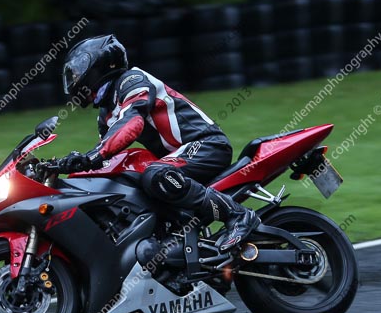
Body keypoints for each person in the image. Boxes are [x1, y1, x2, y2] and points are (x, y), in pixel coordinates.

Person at [57, 34, 260, 252]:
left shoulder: (132, 80)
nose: (75, 77)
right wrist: (70, 167)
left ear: (99, 63)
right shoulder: (106, 113)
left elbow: (132, 122)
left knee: (155, 175)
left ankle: (238, 215)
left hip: (206, 144)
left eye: (78, 70)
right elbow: (107, 156)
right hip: (176, 157)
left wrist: (94, 156)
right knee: (127, 183)